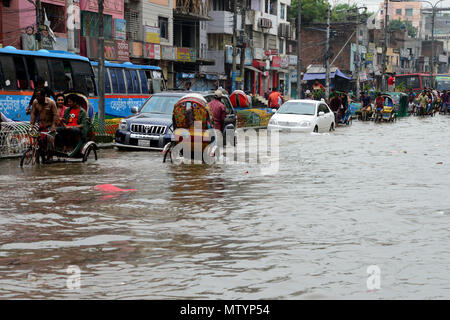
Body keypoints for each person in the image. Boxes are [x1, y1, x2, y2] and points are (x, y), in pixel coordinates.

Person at [29, 88, 58, 159]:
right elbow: (33, 113)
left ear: (43, 96)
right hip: (40, 125)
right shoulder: (35, 102)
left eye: (38, 96)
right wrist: (31, 125)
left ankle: (50, 157)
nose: (37, 98)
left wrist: (53, 126)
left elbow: (55, 115)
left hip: (49, 125)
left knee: (50, 140)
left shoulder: (51, 102)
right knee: (38, 141)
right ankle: (39, 157)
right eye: (36, 96)